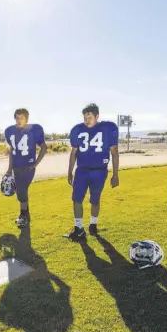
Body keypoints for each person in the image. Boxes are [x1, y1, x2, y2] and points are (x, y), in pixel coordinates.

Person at [65, 103, 119, 241]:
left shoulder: (107, 128)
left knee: (95, 200)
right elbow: (73, 152)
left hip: (100, 171)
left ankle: (93, 224)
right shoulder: (78, 129)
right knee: (77, 199)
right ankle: (79, 229)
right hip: (82, 170)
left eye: (89, 117)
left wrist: (115, 174)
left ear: (97, 116)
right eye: (84, 117)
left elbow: (114, 153)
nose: (86, 120)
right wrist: (70, 171)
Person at [4, 108, 47, 228]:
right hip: (16, 168)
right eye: (17, 118)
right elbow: (12, 151)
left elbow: (44, 147)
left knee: (22, 191)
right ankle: (25, 216)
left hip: (28, 167)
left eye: (21, 118)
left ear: (26, 119)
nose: (19, 120)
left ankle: (23, 216)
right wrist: (9, 169)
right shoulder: (9, 131)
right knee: (20, 192)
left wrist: (36, 163)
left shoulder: (34, 129)